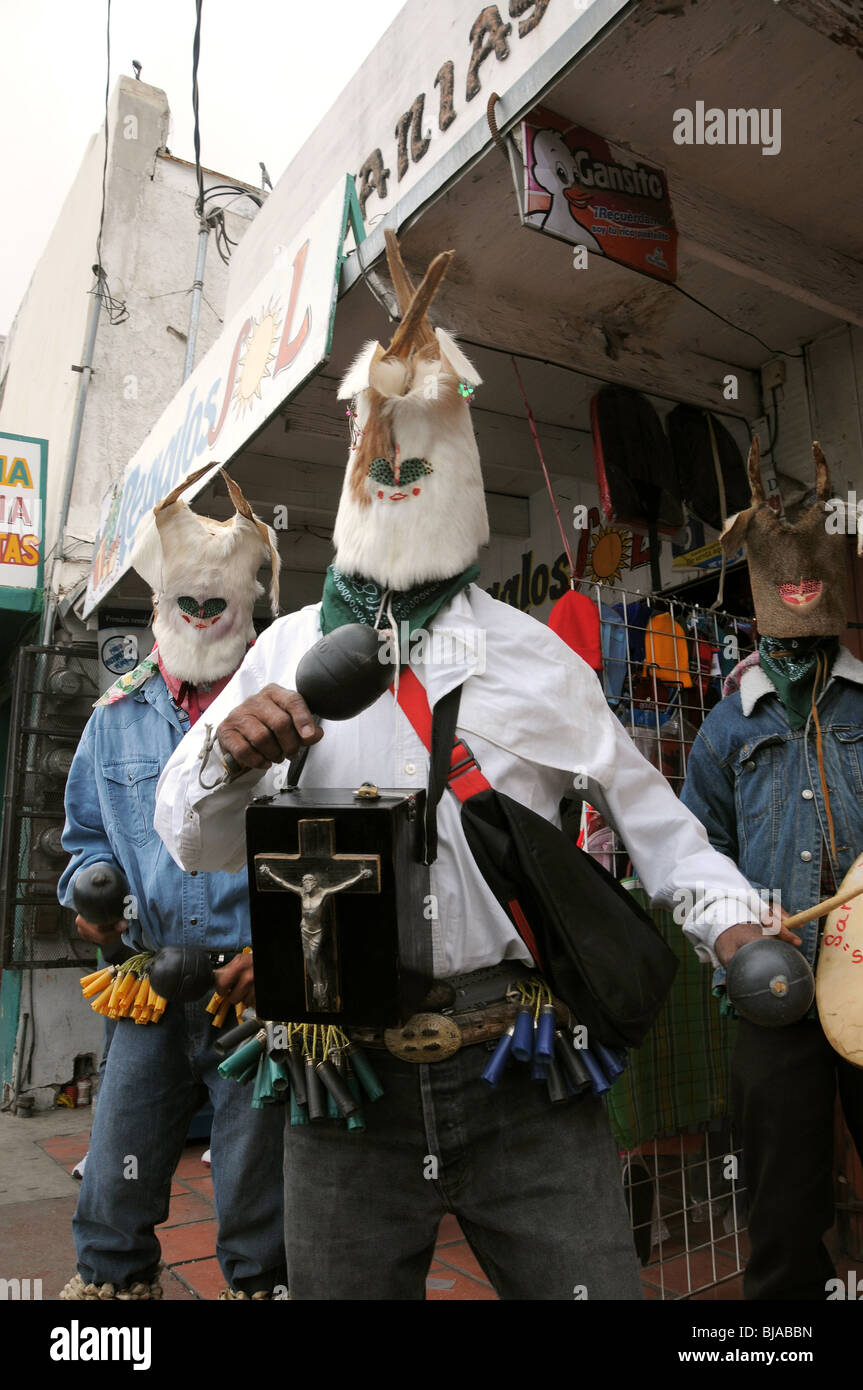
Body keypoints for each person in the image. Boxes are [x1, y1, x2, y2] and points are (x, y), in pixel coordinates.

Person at [155, 234, 778, 1301]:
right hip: (342, 1084)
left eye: (419, 451)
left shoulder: (535, 656)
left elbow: (653, 821)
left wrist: (732, 923)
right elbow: (193, 840)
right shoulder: (279, 649)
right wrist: (226, 750)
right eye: (378, 449)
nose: (396, 468)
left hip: (523, 1073)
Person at [58, 466, 287, 1301]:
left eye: (211, 606)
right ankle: (113, 1294)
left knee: (258, 1174)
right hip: (148, 984)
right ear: (159, 608)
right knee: (119, 1159)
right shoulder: (113, 716)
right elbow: (84, 839)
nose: (198, 619)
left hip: (255, 984)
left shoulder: (284, 711)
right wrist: (92, 890)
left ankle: (262, 1287)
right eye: (183, 605)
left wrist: (285, 948)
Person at [681, 437, 863, 1301]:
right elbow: (691, 854)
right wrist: (733, 942)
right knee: (781, 1204)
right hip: (775, 982)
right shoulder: (726, 728)